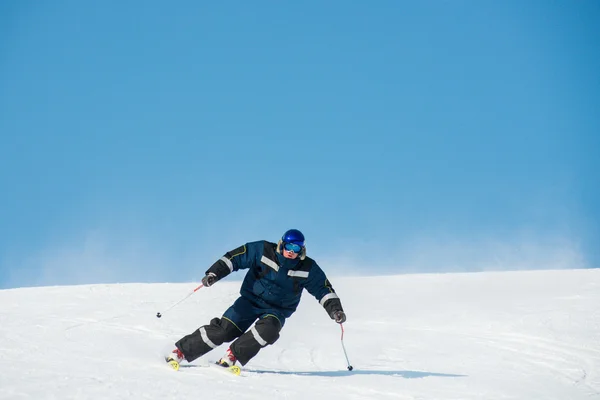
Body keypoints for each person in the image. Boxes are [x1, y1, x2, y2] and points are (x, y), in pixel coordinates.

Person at [165, 228, 347, 369]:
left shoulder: (308, 267)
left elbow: (323, 289)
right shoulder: (262, 250)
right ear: (282, 244)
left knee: (269, 331)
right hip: (250, 301)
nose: (291, 251)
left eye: (296, 248)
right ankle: (180, 351)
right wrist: (214, 273)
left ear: (301, 249)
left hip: (276, 310)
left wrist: (335, 310)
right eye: (289, 247)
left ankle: (232, 356)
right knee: (224, 331)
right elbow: (234, 258)